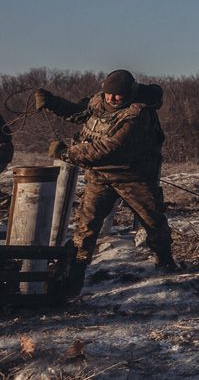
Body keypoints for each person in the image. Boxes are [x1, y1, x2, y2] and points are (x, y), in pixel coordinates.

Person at [34, 69, 176, 293]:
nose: (112, 99)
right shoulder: (99, 102)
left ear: (129, 93)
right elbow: (78, 112)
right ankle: (73, 278)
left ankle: (167, 264)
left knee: (153, 222)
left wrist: (65, 153)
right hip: (99, 177)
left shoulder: (137, 114)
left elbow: (107, 148)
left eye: (117, 95)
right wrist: (53, 102)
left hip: (133, 178)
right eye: (108, 94)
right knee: (86, 228)